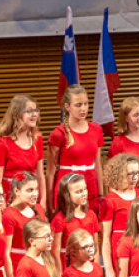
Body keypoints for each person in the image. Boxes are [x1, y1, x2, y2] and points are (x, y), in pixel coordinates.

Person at [48, 85, 104, 214]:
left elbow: (98, 166)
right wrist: (49, 202)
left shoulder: (96, 129)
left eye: (85, 104)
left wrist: (101, 195)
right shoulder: (58, 133)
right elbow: (50, 172)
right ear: (67, 107)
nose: (83, 108)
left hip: (89, 184)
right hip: (67, 186)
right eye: (78, 105)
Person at [0, 95, 46, 209]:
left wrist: (43, 202)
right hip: (10, 201)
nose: (34, 114)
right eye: (29, 111)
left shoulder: (37, 139)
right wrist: (3, 209)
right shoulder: (1, 144)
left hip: (31, 200)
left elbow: (40, 175)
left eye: (36, 110)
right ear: (16, 115)